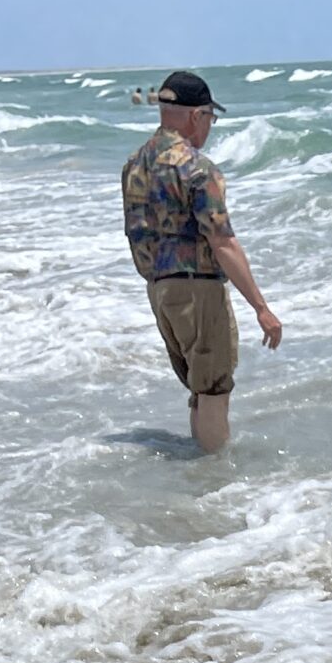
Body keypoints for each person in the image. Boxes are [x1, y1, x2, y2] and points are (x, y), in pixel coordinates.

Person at [120, 71, 283, 454]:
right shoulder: (197, 168)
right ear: (197, 115)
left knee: (199, 388)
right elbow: (221, 241)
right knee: (213, 390)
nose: (209, 126)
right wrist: (261, 308)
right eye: (210, 117)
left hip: (158, 290)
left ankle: (195, 473)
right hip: (197, 289)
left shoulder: (134, 164)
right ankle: (214, 480)